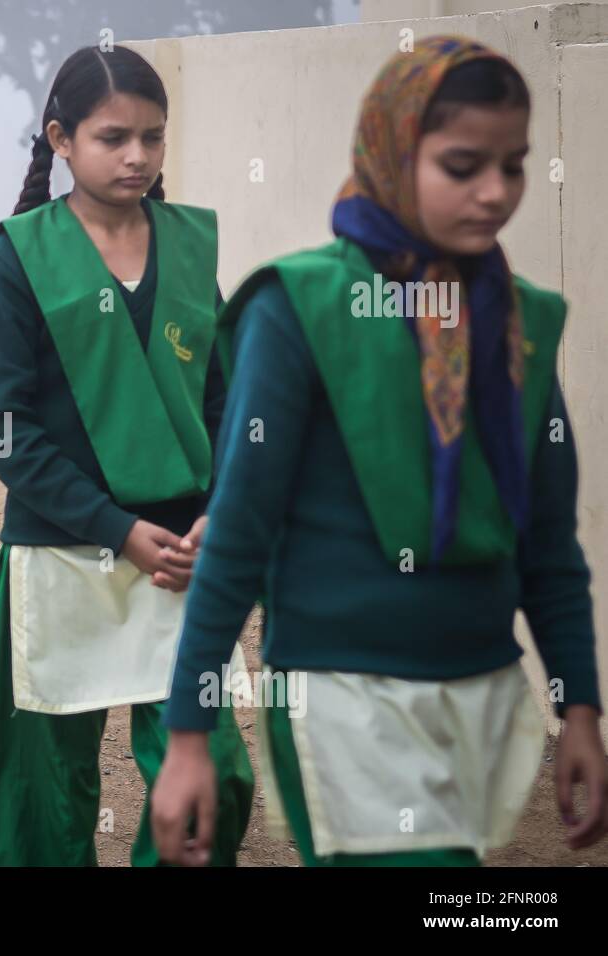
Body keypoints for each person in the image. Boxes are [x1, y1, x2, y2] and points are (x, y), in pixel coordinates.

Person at [151, 36, 607, 866]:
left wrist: (579, 708)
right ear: (395, 149)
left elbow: (547, 543)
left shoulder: (520, 321)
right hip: (343, 699)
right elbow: (241, 530)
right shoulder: (298, 307)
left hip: (484, 692)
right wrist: (188, 731)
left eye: (514, 165)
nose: (496, 192)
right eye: (464, 165)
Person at [0, 45, 252, 867]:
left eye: (154, 138)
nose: (137, 157)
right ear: (60, 138)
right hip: (60, 553)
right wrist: (113, 527)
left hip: (183, 558)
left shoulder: (191, 245)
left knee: (215, 783)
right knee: (43, 799)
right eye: (113, 137)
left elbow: (229, 405)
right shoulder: (21, 252)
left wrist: (215, 514)